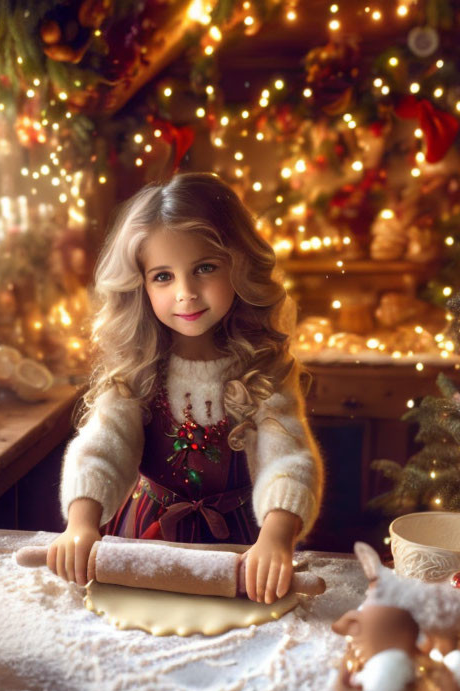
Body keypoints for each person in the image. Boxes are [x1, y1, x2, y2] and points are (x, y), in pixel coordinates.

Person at [48, 172, 323, 604]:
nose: (187, 293)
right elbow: (103, 444)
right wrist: (81, 522)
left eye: (205, 268)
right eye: (163, 276)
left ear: (240, 264)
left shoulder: (264, 366)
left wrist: (277, 537)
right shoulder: (136, 368)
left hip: (241, 550)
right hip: (144, 541)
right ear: (140, 284)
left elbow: (287, 457)